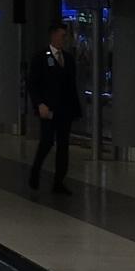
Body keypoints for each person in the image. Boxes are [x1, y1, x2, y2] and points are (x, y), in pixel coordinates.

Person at [23, 23, 83, 196]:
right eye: (63, 35)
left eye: (66, 36)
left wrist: (75, 108)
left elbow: (71, 85)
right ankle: (35, 171)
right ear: (53, 36)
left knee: (63, 145)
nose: (65, 39)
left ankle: (59, 181)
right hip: (48, 108)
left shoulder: (68, 59)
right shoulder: (40, 57)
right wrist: (39, 103)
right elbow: (33, 83)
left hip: (65, 109)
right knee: (47, 141)